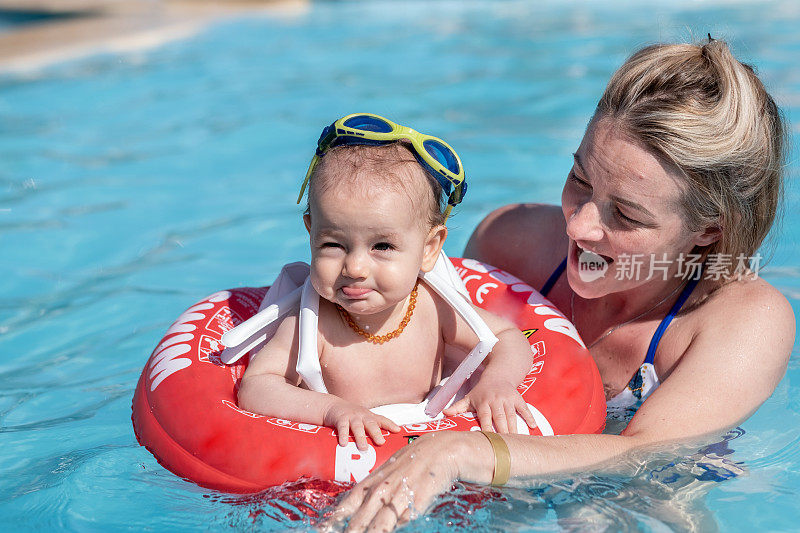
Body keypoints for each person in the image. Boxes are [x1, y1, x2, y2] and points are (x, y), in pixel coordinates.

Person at [327, 40, 795, 531]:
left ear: (709, 230)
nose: (579, 227)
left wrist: (464, 451)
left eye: (626, 214)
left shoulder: (742, 320)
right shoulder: (513, 245)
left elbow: (639, 453)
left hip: (644, 496)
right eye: (580, 179)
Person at [237, 113, 537, 452]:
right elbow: (257, 386)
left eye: (382, 246)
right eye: (333, 244)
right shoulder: (313, 325)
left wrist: (496, 382)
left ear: (429, 249)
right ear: (311, 233)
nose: (355, 267)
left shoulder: (432, 307)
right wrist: (333, 410)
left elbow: (508, 337)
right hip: (339, 465)